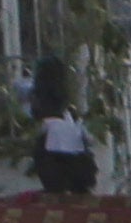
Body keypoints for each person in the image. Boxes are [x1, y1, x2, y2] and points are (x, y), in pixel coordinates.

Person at [27, 57, 95, 199]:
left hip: (49, 132)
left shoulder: (39, 91)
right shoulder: (62, 92)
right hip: (67, 131)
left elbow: (36, 113)